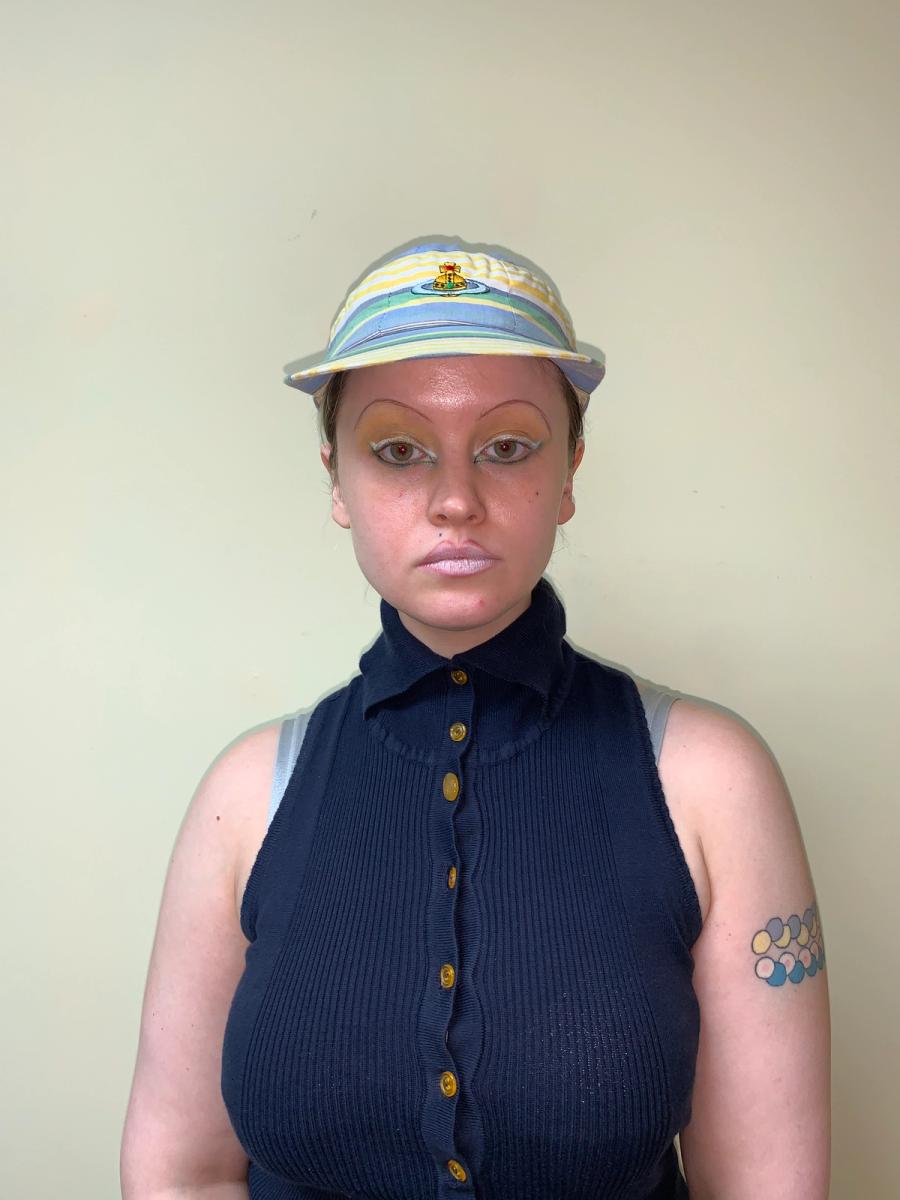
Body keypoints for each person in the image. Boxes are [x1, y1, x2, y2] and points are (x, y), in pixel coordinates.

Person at [121, 239, 831, 1199]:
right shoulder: (248, 795)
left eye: (506, 447)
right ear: (336, 479)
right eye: (397, 451)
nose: (456, 501)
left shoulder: (708, 781)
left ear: (570, 470)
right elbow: (180, 1174)